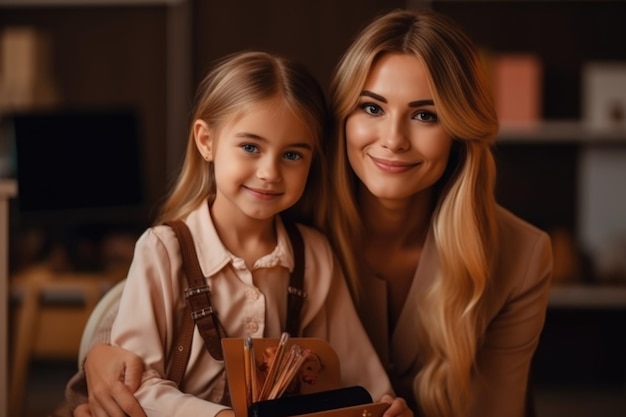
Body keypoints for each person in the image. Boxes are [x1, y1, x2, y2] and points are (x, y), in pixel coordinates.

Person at [72, 8, 553, 417]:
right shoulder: (293, 212)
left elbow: (363, 379)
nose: (393, 139)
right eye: (372, 108)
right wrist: (99, 351)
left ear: (461, 130)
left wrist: (380, 405)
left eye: (426, 115)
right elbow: (155, 307)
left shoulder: (521, 255)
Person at [62, 50, 411, 417]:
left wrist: (383, 405)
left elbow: (353, 372)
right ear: (206, 141)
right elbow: (135, 385)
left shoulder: (314, 253)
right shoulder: (162, 249)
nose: (269, 172)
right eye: (250, 147)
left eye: (292, 155)